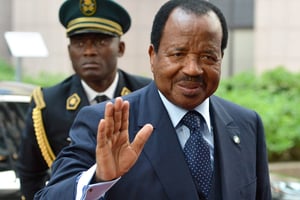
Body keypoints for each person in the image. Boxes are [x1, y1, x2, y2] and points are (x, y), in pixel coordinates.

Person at [34, 0, 272, 199]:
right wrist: (99, 179)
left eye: (208, 56)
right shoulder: (105, 123)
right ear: (153, 56)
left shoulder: (246, 124)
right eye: (178, 54)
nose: (192, 69)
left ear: (221, 57)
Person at [17, 0, 151, 199]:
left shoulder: (146, 93)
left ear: (121, 48)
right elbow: (31, 175)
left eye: (100, 41)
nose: (89, 51)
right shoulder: (47, 103)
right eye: (79, 43)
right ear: (69, 50)